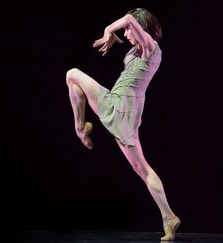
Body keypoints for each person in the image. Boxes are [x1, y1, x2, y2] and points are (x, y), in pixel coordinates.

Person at [66, 8, 180, 241]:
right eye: (126, 30)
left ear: (141, 26)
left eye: (129, 29)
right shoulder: (137, 49)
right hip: (123, 109)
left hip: (119, 105)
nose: (126, 32)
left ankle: (80, 129)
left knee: (72, 74)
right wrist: (114, 38)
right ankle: (169, 217)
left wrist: (109, 29)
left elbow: (129, 19)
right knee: (143, 169)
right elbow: (128, 31)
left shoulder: (151, 48)